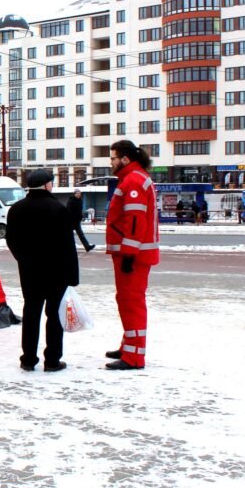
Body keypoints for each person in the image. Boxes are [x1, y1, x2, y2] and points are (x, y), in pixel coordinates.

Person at [5, 169, 79, 372]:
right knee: (54, 315)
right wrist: (72, 276)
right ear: (47, 185)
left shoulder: (16, 209)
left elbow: (11, 241)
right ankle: (52, 360)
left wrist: (24, 259)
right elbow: (67, 246)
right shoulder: (58, 208)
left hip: (29, 272)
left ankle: (28, 358)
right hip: (56, 272)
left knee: (31, 312)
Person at [105, 140, 160, 370]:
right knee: (126, 300)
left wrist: (128, 253)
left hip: (134, 256)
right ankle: (128, 345)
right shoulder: (132, 178)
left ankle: (134, 356)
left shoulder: (134, 181)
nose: (111, 163)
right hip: (134, 254)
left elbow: (135, 221)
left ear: (124, 159)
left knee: (131, 303)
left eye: (113, 158)